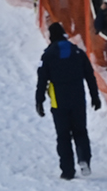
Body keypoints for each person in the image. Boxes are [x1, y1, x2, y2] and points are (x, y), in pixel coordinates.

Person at [36, 22, 102, 180]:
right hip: (78, 98)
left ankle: (67, 171)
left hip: (59, 101)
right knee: (81, 131)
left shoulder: (48, 55)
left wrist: (39, 101)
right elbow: (90, 76)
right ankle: (84, 158)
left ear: (51, 36)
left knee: (63, 136)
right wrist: (95, 96)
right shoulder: (77, 52)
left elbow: (42, 80)